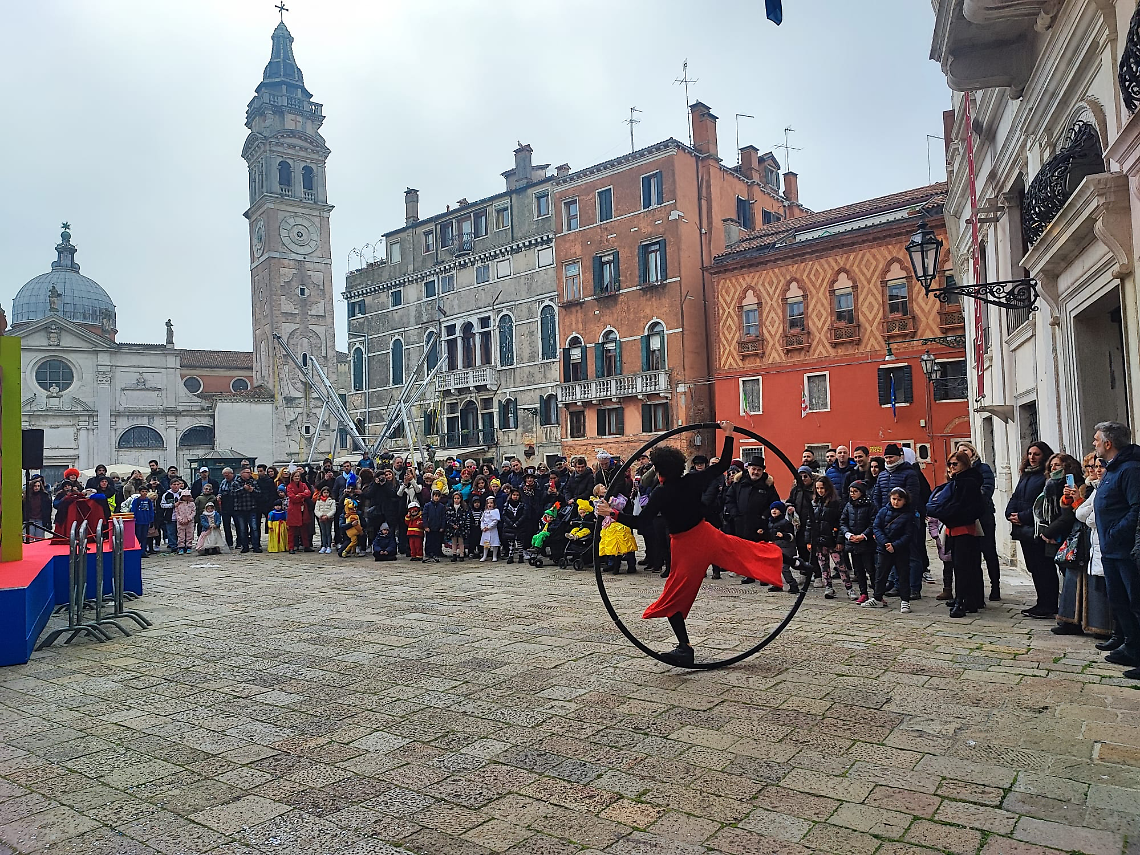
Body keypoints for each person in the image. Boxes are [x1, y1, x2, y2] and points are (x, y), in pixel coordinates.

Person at [598, 423, 793, 666]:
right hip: (707, 534)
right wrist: (729, 434)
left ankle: (684, 647)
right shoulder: (692, 480)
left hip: (687, 547)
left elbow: (641, 522)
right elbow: (722, 466)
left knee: (673, 598)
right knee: (747, 552)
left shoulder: (662, 492)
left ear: (659, 471)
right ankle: (796, 561)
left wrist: (612, 513)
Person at [1093, 422, 1140, 677]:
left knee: (1136, 602)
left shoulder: (1131, 470)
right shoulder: (1113, 469)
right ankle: (1131, 646)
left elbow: (1137, 507)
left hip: (1125, 549)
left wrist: (1115, 532)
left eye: (1097, 440)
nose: (1094, 444)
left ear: (1108, 443)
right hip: (1110, 548)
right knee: (1119, 601)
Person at [926, 451, 986, 617]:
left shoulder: (967, 482)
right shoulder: (959, 481)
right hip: (955, 528)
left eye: (955, 464)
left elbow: (964, 507)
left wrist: (946, 514)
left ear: (964, 464)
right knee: (962, 566)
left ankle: (963, 601)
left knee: (964, 567)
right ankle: (969, 599)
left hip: (964, 529)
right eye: (950, 464)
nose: (951, 467)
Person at [1063, 455, 1114, 639]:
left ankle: (1103, 627)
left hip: (1095, 540)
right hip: (1083, 540)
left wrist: (1079, 505)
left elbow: (1092, 517)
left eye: (1098, 466)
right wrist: (1073, 500)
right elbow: (1079, 513)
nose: (1094, 470)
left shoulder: (1101, 487)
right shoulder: (1088, 487)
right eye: (1091, 467)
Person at [725, 455, 780, 584]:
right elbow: (729, 499)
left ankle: (763, 575)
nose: (756, 472)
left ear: (763, 471)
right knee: (745, 551)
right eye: (753, 469)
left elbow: (774, 502)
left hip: (760, 523)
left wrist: (764, 516)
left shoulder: (767, 485)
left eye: (759, 470)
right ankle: (749, 574)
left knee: (760, 551)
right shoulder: (739, 483)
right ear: (748, 468)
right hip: (741, 522)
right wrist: (734, 514)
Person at [956, 441, 1000, 600]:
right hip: (966, 517)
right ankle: (975, 592)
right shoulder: (958, 471)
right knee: (970, 555)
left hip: (983, 515)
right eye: (959, 451)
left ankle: (996, 586)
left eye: (965, 450)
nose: (962, 453)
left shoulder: (983, 468)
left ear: (972, 452)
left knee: (989, 551)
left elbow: (986, 489)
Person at [865, 487, 913, 612]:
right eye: (894, 499)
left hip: (901, 550)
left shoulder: (908, 515)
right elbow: (877, 527)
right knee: (881, 574)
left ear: (905, 501)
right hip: (884, 548)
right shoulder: (883, 511)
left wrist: (895, 545)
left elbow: (908, 534)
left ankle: (905, 600)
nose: (896, 502)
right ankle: (877, 597)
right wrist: (885, 543)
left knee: (903, 575)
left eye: (899, 499)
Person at [808, 476, 852, 599]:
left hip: (832, 539)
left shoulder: (836, 503)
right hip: (819, 540)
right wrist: (809, 540)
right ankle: (828, 587)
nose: (820, 491)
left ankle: (849, 588)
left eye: (822, 488)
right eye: (817, 488)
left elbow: (840, 522)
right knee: (824, 565)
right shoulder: (814, 503)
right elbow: (809, 523)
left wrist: (839, 539)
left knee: (840, 565)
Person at [840, 481, 875, 603]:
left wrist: (863, 535)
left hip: (866, 543)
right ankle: (863, 592)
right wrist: (848, 535)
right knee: (858, 570)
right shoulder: (848, 506)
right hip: (853, 543)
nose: (853, 494)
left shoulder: (870, 505)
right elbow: (843, 522)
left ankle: (877, 593)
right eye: (851, 492)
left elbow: (873, 523)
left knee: (871, 569)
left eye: (855, 492)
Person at [762, 501, 800, 594]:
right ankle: (777, 584)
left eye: (776, 509)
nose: (774, 511)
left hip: (786, 548)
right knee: (774, 566)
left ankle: (793, 584)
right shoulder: (770, 522)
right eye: (772, 509)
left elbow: (791, 536)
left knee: (784, 567)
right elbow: (770, 534)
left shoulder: (786, 523)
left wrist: (783, 535)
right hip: (776, 547)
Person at [598, 494, 637, 575]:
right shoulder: (599, 500)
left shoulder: (619, 496)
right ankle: (614, 566)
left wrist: (612, 501)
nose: (604, 488)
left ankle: (631, 565)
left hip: (620, 524)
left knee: (626, 545)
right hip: (609, 527)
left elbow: (621, 505)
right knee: (614, 548)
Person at [787, 466, 815, 563]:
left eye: (805, 476)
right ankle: (804, 569)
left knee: (812, 548)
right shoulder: (795, 490)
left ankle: (816, 571)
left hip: (811, 524)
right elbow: (789, 501)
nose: (803, 479)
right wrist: (790, 507)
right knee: (801, 547)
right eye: (800, 477)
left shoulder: (815, 489)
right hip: (799, 524)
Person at [232, 474, 262, 553]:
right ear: (242, 473)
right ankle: (245, 546)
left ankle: (255, 546)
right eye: (246, 472)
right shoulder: (236, 483)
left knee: (254, 528)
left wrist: (252, 490)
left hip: (252, 508)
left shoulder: (253, 482)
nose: (248, 474)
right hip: (240, 509)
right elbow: (232, 494)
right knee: (242, 529)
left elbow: (259, 493)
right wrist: (243, 489)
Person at [285, 470, 312, 554]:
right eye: (295, 476)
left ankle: (306, 545)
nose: (297, 478)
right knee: (292, 530)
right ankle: (291, 547)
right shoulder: (289, 486)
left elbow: (308, 493)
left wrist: (299, 495)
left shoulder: (303, 485)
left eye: (298, 476)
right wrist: (303, 494)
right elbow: (292, 497)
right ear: (292, 477)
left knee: (304, 528)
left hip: (303, 508)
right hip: (294, 509)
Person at [423, 490, 447, 562]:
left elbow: (443, 517)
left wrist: (442, 526)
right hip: (430, 526)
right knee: (429, 540)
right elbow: (424, 516)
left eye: (438, 496)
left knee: (438, 541)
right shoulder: (427, 505)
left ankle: (437, 553)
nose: (436, 498)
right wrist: (426, 526)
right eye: (435, 496)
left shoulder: (442, 506)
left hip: (438, 526)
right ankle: (428, 553)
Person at [341, 482, 363, 558]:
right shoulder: (344, 514)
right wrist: (345, 494)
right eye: (349, 488)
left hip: (357, 531)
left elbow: (358, 504)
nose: (350, 490)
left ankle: (356, 549)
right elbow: (340, 503)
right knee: (340, 552)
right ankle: (346, 550)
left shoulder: (357, 513)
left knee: (359, 537)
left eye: (352, 489)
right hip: (347, 533)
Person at [447, 492, 471, 562]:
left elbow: (464, 517)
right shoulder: (450, 507)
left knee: (461, 541)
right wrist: (452, 524)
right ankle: (454, 554)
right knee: (453, 541)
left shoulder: (463, 508)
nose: (456, 500)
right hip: (452, 527)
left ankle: (461, 554)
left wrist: (459, 525)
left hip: (461, 527)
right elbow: (448, 517)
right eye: (455, 498)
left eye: (458, 498)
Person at [133, 489, 157, 557]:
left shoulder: (148, 501)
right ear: (139, 492)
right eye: (143, 491)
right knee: (138, 536)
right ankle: (137, 551)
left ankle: (143, 551)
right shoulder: (136, 500)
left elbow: (151, 511)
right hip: (138, 521)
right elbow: (133, 510)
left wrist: (151, 520)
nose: (144, 493)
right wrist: (135, 519)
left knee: (144, 537)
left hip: (146, 521)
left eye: (146, 491)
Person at [173, 490, 197, 554]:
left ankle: (189, 546)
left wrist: (189, 518)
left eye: (187, 496)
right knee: (181, 535)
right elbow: (176, 512)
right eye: (184, 496)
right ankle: (181, 547)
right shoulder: (179, 504)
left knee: (190, 534)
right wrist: (180, 519)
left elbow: (193, 512)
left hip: (190, 522)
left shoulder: (192, 504)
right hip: (181, 522)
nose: (186, 497)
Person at [314, 487, 336, 554]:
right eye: (324, 492)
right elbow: (316, 510)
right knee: (323, 532)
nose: (326, 494)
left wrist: (328, 516)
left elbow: (333, 510)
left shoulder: (332, 501)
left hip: (328, 518)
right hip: (321, 518)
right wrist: (320, 515)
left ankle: (329, 546)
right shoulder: (318, 501)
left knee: (328, 532)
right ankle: (323, 545)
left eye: (327, 492)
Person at [479, 495, 502, 561]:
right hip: (485, 530)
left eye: (491, 503)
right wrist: (482, 527)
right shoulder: (485, 511)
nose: (490, 504)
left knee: (495, 543)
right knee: (485, 543)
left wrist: (489, 527)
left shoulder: (496, 511)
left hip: (492, 530)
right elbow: (482, 520)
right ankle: (484, 555)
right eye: (488, 503)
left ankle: (494, 556)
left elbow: (495, 521)